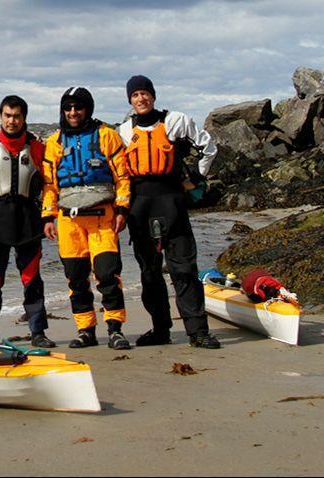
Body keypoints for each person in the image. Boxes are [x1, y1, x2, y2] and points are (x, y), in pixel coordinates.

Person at [117, 75, 221, 349]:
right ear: (130, 99)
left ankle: (198, 332)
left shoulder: (175, 121)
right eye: (135, 95)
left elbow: (208, 147)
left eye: (145, 93)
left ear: (153, 95)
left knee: (183, 269)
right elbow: (117, 171)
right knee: (149, 273)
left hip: (171, 201)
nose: (141, 99)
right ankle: (160, 329)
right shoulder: (125, 131)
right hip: (140, 206)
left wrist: (196, 179)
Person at [42, 87, 132, 349]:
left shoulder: (107, 136)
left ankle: (115, 328)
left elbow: (122, 178)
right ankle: (86, 330)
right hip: (69, 221)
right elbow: (50, 184)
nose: (73, 112)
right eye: (68, 108)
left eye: (78, 107)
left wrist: (123, 210)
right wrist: (47, 217)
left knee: (107, 274)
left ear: (88, 109)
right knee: (76, 278)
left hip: (103, 217)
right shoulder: (55, 142)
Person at [0, 95, 56, 348]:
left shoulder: (37, 148)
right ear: (1, 117)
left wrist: (50, 217)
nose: (12, 121)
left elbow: (50, 185)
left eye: (17, 116)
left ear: (24, 117)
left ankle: (38, 331)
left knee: (32, 278)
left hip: (28, 220)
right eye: (7, 115)